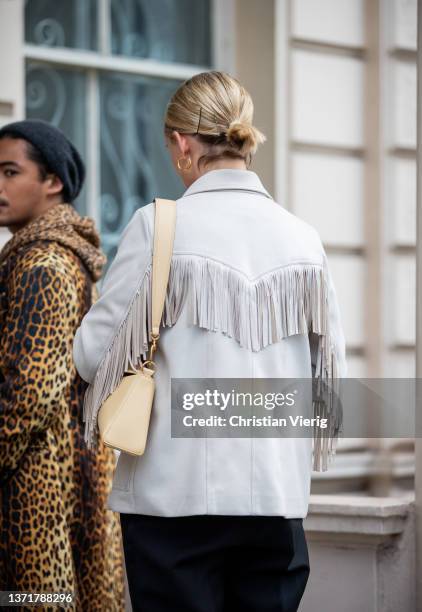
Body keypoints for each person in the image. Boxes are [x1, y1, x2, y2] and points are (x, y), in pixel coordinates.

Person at [74, 71, 347, 612]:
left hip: (173, 506)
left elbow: (93, 355)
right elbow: (326, 376)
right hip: (276, 502)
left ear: (181, 143)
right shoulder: (302, 237)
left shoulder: (160, 227)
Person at [0, 120, 125, 611]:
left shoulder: (43, 265)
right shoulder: (40, 257)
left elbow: (28, 392)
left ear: (53, 182)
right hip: (60, 482)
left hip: (36, 497)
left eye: (11, 172)